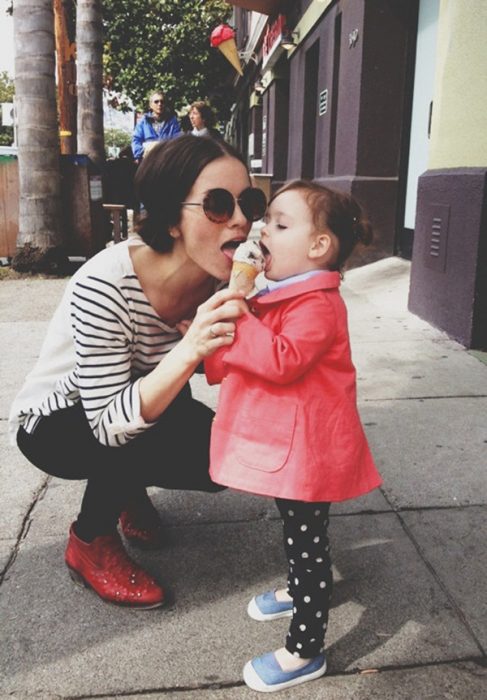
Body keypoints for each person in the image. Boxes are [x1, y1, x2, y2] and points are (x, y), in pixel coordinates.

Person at [9, 134, 268, 609]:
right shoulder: (105, 283)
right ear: (171, 217)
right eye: (217, 205)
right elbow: (106, 423)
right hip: (58, 419)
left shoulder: (224, 280)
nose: (241, 220)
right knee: (132, 431)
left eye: (249, 202)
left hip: (138, 402)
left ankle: (126, 490)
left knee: (217, 459)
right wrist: (190, 348)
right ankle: (89, 542)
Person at [204, 180, 382, 691]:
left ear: (318, 247)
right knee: (298, 531)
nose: (262, 232)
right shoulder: (284, 293)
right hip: (292, 448)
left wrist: (240, 306)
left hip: (312, 451)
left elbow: (281, 360)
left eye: (279, 225)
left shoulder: (318, 305)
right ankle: (299, 588)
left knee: (307, 542)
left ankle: (305, 649)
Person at [131, 90, 181, 163]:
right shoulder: (143, 122)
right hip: (147, 162)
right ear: (150, 105)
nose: (159, 104)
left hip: (166, 162)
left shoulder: (173, 122)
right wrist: (141, 153)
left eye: (162, 101)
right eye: (156, 101)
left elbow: (178, 142)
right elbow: (136, 140)